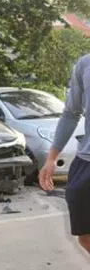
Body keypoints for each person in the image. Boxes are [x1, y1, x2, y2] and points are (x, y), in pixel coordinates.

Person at [39, 53, 90, 255]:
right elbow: (71, 113)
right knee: (85, 236)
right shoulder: (85, 65)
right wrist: (52, 158)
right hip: (86, 161)